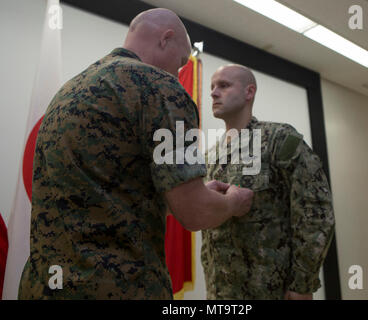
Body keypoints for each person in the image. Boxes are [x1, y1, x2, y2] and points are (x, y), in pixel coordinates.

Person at [18, 9, 253, 300]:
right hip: (118, 287)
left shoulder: (69, 90)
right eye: (181, 63)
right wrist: (232, 203)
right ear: (166, 39)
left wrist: (191, 191)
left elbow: (107, 192)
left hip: (43, 286)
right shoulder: (161, 89)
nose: (177, 73)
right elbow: (195, 212)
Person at [201, 64, 335, 300]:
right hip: (220, 292)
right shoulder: (210, 157)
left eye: (223, 85)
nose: (213, 92)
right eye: (212, 86)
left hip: (270, 291)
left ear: (249, 92)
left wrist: (302, 284)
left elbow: (316, 213)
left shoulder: (279, 140)